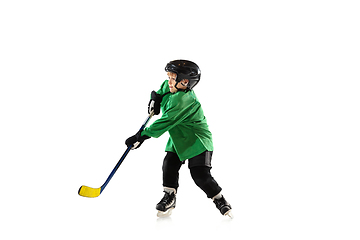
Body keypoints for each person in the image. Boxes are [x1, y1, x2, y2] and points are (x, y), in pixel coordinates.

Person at [125, 60, 232, 218]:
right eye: (169, 76)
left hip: (197, 140)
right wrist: (155, 99)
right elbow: (161, 90)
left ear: (184, 82)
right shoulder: (171, 87)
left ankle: (220, 199)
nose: (169, 81)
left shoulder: (184, 100)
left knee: (200, 175)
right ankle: (169, 197)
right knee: (169, 165)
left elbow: (165, 121)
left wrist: (141, 136)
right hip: (178, 138)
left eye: (172, 78)